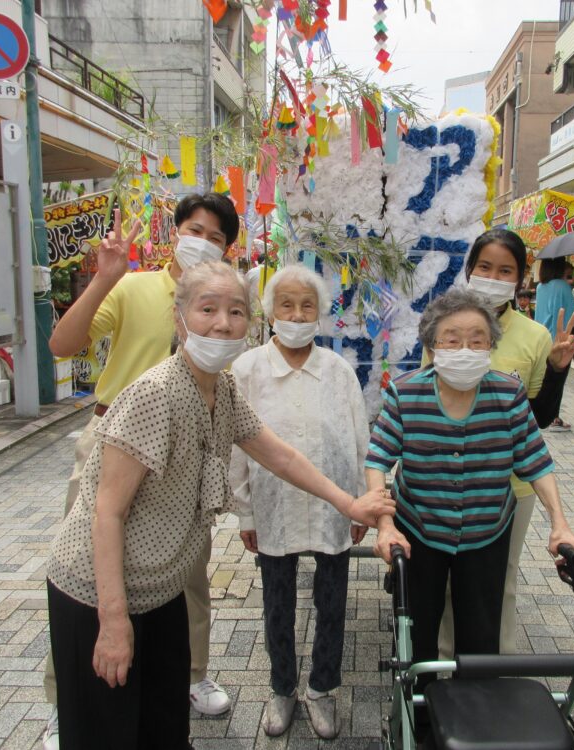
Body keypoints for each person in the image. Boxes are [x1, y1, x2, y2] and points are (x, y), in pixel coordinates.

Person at [46, 261, 394, 750]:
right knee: (109, 729)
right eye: (207, 308)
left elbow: (281, 455)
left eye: (235, 311)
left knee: (165, 722)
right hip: (99, 595)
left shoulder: (222, 388)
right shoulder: (154, 394)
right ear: (180, 316)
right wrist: (114, 621)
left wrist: (350, 502)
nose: (223, 323)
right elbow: (109, 512)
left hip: (161, 588)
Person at [43, 193, 239, 748]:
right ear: (176, 231)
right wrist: (104, 278)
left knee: (185, 574)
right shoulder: (134, 287)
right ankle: (73, 696)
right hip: (112, 444)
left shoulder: (218, 301)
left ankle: (189, 677)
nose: (202, 240)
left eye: (217, 236)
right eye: (194, 228)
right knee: (90, 570)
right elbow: (62, 344)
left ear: (228, 249)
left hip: (185, 457)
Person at [367, 289, 574, 740]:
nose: (465, 349)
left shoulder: (506, 393)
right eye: (451, 339)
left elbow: (535, 461)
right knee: (417, 632)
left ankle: (480, 725)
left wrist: (559, 522)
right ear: (431, 345)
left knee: (480, 634)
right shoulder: (406, 394)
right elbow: (377, 460)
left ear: (491, 345)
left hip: (487, 530)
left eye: (477, 339)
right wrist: (385, 524)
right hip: (419, 531)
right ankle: (418, 723)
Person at [230, 266, 368, 739]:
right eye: (286, 304)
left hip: (335, 507)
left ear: (321, 313)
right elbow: (236, 448)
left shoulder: (337, 370)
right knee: (277, 603)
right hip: (273, 505)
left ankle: (323, 689)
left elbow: (359, 440)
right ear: (269, 312)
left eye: (306, 305)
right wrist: (245, 510)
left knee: (332, 603)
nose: (296, 313)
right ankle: (282, 687)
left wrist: (360, 503)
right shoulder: (247, 370)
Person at [432, 228, 574, 660]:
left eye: (505, 270)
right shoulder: (443, 321)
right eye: (485, 267)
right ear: (470, 269)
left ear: (520, 277)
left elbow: (537, 421)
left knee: (502, 582)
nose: (493, 276)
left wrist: (556, 371)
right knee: (444, 584)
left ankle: (494, 672)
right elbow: (425, 398)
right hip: (444, 486)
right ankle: (440, 673)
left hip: (510, 489)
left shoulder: (535, 336)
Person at [535, 257, 574, 431]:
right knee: (557, 380)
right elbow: (565, 314)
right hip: (559, 342)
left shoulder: (540, 286)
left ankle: (551, 415)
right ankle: (554, 416)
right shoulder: (562, 286)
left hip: (540, 339)